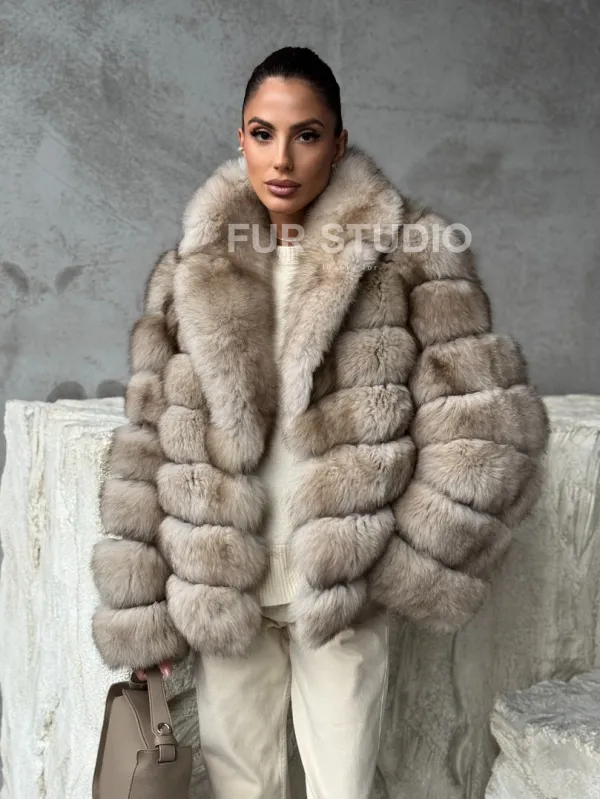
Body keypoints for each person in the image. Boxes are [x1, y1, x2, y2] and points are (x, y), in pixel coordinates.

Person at [90, 46, 549, 798]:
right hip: (226, 585)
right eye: (262, 133)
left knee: (343, 787)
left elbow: (487, 425)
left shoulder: (408, 254)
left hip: (338, 587)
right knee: (243, 789)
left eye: (305, 135)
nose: (282, 159)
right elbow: (147, 442)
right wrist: (142, 611)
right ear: (240, 138)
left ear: (337, 143)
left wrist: (397, 557)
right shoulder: (191, 271)